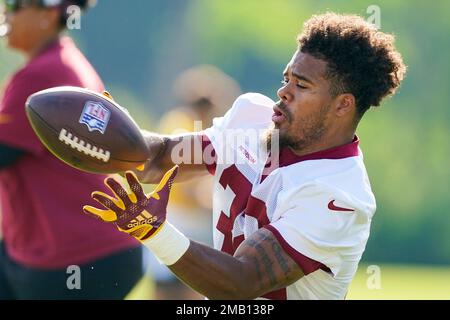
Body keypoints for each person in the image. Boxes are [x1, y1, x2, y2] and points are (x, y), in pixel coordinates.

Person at [83, 13, 407, 299]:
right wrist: (116, 133)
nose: (283, 92)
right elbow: (160, 158)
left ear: (342, 105)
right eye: (286, 79)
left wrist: (153, 230)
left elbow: (241, 283)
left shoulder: (339, 196)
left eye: (302, 85)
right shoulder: (251, 118)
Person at [0, 0, 144, 299]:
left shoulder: (42, 74)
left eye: (15, 5)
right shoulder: (59, 62)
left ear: (48, 15)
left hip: (76, 253)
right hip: (81, 248)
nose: (6, 11)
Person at [148, 65, 241, 299]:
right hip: (182, 223)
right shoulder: (185, 127)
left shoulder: (182, 124)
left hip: (184, 224)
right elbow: (190, 189)